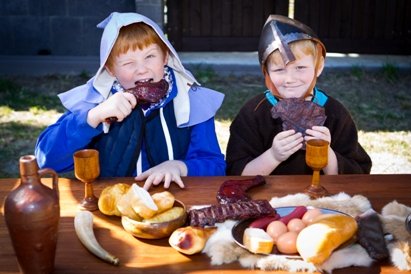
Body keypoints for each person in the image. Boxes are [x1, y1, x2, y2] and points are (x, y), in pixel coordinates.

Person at [35, 12, 226, 189]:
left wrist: (180, 167)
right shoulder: (94, 102)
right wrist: (91, 118)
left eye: (150, 56)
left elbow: (216, 165)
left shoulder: (191, 102)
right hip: (109, 205)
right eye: (128, 63)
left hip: (174, 203)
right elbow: (47, 160)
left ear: (165, 56)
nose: (141, 69)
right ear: (110, 70)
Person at [225, 15, 372, 176]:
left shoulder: (335, 114)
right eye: (279, 70)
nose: (290, 79)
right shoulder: (253, 114)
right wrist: (273, 156)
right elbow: (236, 174)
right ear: (266, 71)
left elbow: (358, 174)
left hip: (321, 199)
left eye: (300, 67)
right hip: (267, 200)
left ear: (319, 66)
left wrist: (326, 154)